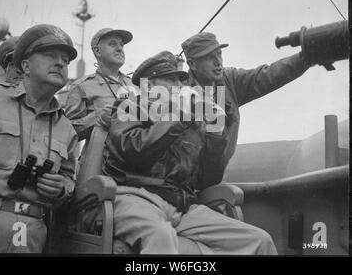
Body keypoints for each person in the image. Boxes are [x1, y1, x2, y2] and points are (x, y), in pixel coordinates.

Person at [101, 51, 277, 255]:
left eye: (181, 81)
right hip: (135, 197)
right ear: (149, 85)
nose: (179, 86)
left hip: (180, 205)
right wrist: (180, 114)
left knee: (259, 240)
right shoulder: (130, 106)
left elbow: (207, 180)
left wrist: (216, 135)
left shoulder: (186, 120)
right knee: (161, 237)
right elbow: (133, 150)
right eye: (171, 79)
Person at [0, 24, 78, 253]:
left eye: (65, 60)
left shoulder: (67, 128)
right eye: (50, 55)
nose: (60, 63)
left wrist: (61, 188)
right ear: (25, 66)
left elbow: (69, 178)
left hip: (32, 234)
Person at [181, 32, 311, 171]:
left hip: (211, 177)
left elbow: (268, 76)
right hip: (181, 180)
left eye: (219, 54)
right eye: (209, 57)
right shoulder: (180, 93)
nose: (218, 61)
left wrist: (306, 58)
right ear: (192, 64)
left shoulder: (229, 81)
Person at [64, 28, 134, 143]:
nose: (119, 48)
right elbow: (67, 135)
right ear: (97, 51)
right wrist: (97, 117)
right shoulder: (82, 86)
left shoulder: (134, 85)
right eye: (112, 44)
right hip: (99, 158)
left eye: (121, 45)